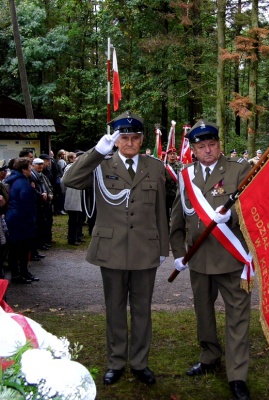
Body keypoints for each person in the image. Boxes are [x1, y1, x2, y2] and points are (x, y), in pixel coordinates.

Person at [62, 111, 169, 386]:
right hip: (112, 249)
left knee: (143, 310)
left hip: (145, 248)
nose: (130, 143)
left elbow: (160, 210)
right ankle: (117, 361)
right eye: (124, 137)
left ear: (142, 139)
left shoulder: (154, 167)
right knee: (115, 308)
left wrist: (162, 247)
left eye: (135, 137)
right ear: (116, 139)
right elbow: (70, 180)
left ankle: (140, 363)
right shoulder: (101, 164)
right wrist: (97, 152)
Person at [169, 120, 252, 400]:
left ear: (219, 144)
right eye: (202, 146)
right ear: (193, 149)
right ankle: (209, 356)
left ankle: (237, 375)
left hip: (232, 258)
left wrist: (235, 216)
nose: (208, 150)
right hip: (199, 258)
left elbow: (255, 208)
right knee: (203, 311)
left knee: (238, 316)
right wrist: (179, 254)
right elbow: (178, 216)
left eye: (212, 144)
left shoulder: (239, 169)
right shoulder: (186, 175)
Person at [5, 158, 39, 284]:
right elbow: (26, 202)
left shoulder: (15, 181)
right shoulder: (23, 183)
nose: (31, 170)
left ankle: (20, 273)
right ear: (23, 169)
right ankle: (19, 274)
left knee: (16, 248)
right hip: (21, 218)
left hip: (14, 217)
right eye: (29, 168)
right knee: (22, 248)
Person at [165, 147, 183, 225]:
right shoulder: (164, 165)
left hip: (176, 192)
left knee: (175, 211)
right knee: (165, 212)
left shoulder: (180, 165)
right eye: (170, 154)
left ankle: (175, 225)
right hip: (166, 192)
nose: (172, 155)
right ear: (167, 155)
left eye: (174, 154)